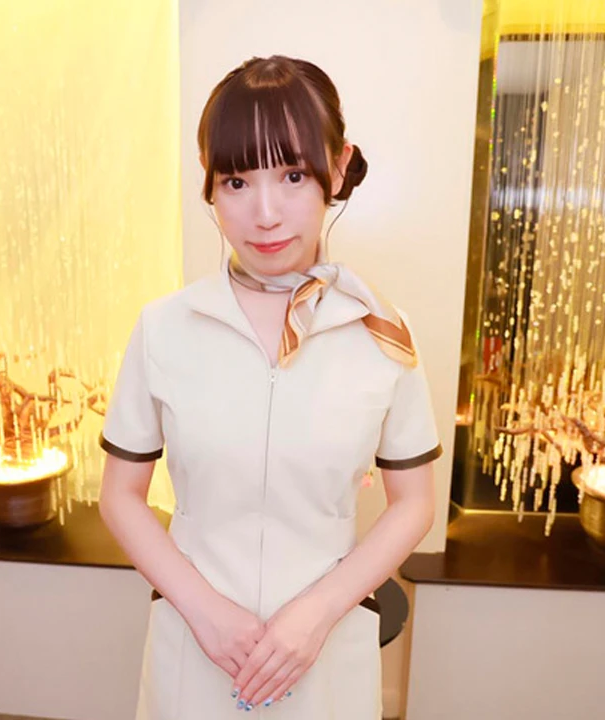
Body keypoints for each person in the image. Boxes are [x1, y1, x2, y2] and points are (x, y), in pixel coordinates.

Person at [98, 55, 441, 719]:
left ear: (337, 167)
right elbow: (121, 495)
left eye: (292, 175)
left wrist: (316, 615)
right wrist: (207, 614)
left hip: (327, 644)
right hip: (196, 643)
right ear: (210, 185)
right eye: (236, 181)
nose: (264, 214)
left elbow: (414, 504)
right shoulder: (164, 327)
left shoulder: (383, 334)